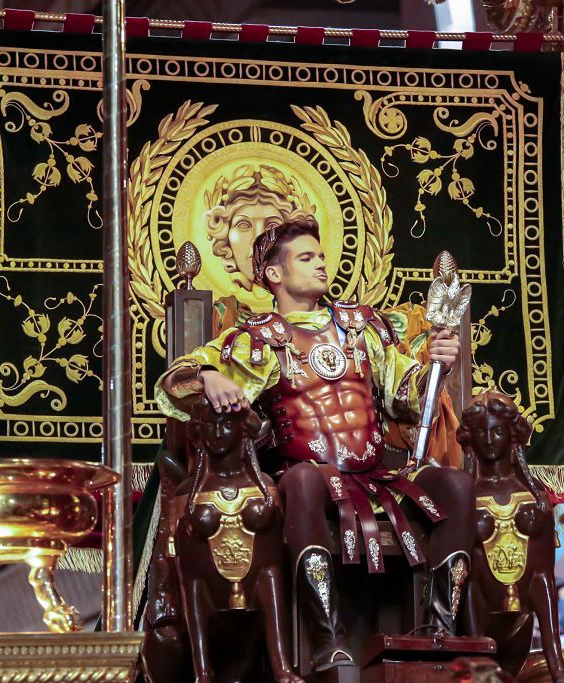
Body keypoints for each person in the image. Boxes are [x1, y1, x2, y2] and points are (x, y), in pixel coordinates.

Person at [157, 218, 474, 671]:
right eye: (306, 258)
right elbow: (173, 386)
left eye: (321, 256)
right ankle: (327, 640)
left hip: (376, 476)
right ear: (274, 274)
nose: (321, 265)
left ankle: (441, 631)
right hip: (306, 474)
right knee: (304, 479)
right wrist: (209, 376)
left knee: (457, 486)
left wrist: (436, 368)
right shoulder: (258, 339)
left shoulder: (362, 326)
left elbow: (406, 396)